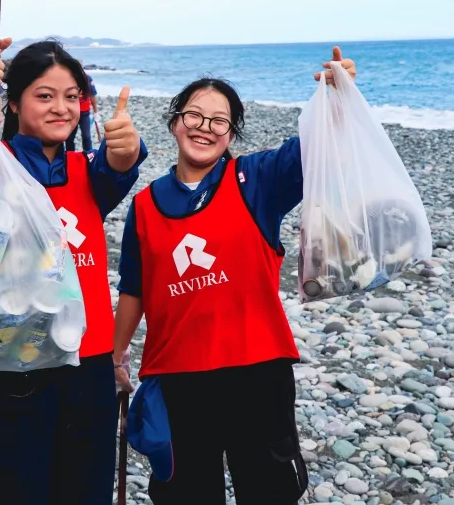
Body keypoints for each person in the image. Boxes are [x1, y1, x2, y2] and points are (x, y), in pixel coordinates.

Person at [112, 48, 357, 505]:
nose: (205, 127)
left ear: (230, 134)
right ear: (174, 123)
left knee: (269, 492)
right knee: (184, 495)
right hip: (178, 378)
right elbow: (134, 288)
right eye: (195, 115)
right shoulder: (145, 206)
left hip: (257, 375)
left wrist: (336, 98)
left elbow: (314, 148)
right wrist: (116, 357)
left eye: (219, 121)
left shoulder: (257, 179)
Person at [0, 37, 147, 505]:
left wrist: (128, 146)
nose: (61, 108)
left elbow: (119, 164)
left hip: (88, 365)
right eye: (45, 95)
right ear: (14, 101)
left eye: (71, 96)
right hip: (9, 363)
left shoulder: (88, 171)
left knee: (83, 490)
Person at [66, 70, 98, 153]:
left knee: (86, 136)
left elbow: (92, 95)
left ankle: (89, 156)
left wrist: (95, 112)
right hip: (71, 112)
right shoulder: (68, 79)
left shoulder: (87, 79)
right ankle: (69, 156)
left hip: (84, 113)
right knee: (69, 137)